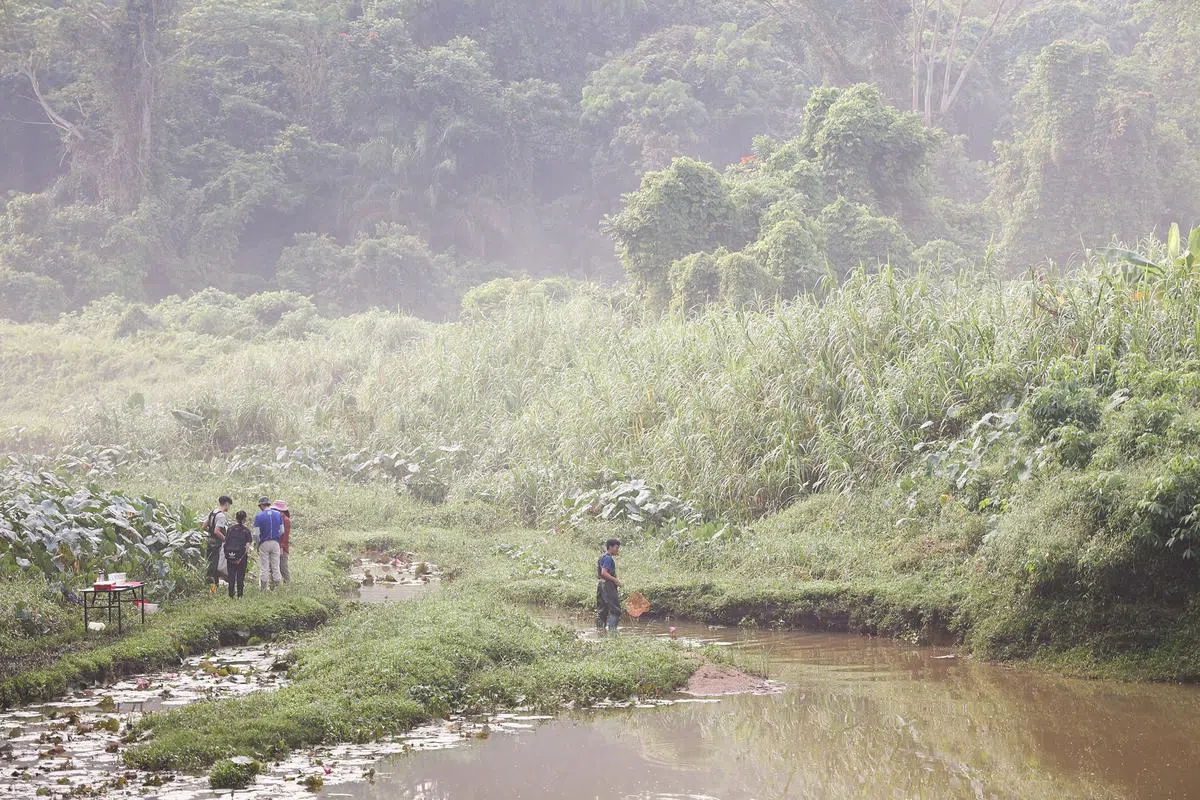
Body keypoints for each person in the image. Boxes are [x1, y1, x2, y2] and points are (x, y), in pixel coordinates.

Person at [254, 496, 284, 590]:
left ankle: (263, 588)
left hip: (264, 543)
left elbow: (256, 534)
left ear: (261, 505)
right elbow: (282, 531)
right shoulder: (278, 514)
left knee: (264, 567)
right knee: (275, 566)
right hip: (275, 543)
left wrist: (258, 544)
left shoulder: (258, 516)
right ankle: (277, 587)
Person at [205, 496, 232, 591]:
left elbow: (204, 526)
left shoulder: (213, 512)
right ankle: (213, 590)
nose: (229, 507)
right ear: (226, 504)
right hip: (217, 544)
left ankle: (211, 589)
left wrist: (211, 532)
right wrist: (225, 539)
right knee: (216, 568)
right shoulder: (221, 516)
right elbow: (217, 531)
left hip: (210, 542)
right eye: (229, 505)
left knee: (211, 567)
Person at [224, 510, 253, 598]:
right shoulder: (246, 531)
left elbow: (226, 542)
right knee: (240, 576)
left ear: (236, 518)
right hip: (241, 557)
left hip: (230, 556)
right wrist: (241, 557)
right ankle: (240, 595)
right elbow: (247, 546)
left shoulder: (230, 529)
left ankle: (231, 594)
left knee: (231, 576)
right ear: (245, 519)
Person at [596, 538, 622, 632]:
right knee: (615, 610)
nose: (617, 550)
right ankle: (612, 632)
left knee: (602, 610)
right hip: (608, 586)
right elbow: (604, 572)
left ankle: (600, 631)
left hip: (601, 585)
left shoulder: (602, 557)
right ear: (610, 547)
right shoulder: (608, 558)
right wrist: (616, 580)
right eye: (616, 548)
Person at [272, 500, 291, 583]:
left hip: (282, 547)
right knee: (273, 567)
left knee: (283, 567)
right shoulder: (276, 518)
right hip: (275, 545)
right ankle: (273, 585)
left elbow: (285, 536)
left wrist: (281, 547)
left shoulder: (286, 520)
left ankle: (287, 584)